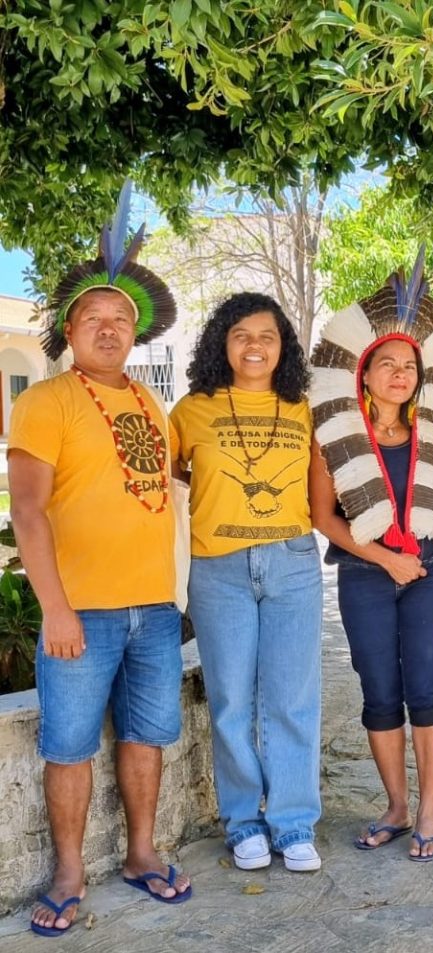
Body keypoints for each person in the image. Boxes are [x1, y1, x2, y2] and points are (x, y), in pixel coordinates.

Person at [9, 184, 191, 936]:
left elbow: (166, 489)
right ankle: (69, 868)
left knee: (147, 735)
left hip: (153, 607)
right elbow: (25, 508)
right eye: (94, 318)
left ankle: (142, 851)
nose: (109, 328)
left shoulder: (151, 404)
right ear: (71, 328)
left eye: (121, 319)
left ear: (136, 330)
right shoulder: (45, 401)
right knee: (71, 745)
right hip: (80, 608)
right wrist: (54, 606)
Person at [309, 255, 433, 861]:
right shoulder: (334, 435)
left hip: (428, 573)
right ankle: (396, 806)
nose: (399, 375)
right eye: (387, 365)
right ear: (363, 373)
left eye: (409, 366)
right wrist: (383, 559)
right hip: (365, 575)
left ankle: (428, 811)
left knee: (426, 689)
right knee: (379, 691)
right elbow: (323, 517)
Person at [170, 292, 322, 873]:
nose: (254, 345)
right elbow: (172, 474)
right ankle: (243, 823)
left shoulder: (304, 408)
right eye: (241, 334)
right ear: (221, 344)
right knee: (232, 698)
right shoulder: (191, 410)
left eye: (267, 335)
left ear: (283, 347)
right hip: (219, 567)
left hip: (292, 561)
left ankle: (292, 822)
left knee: (292, 697)